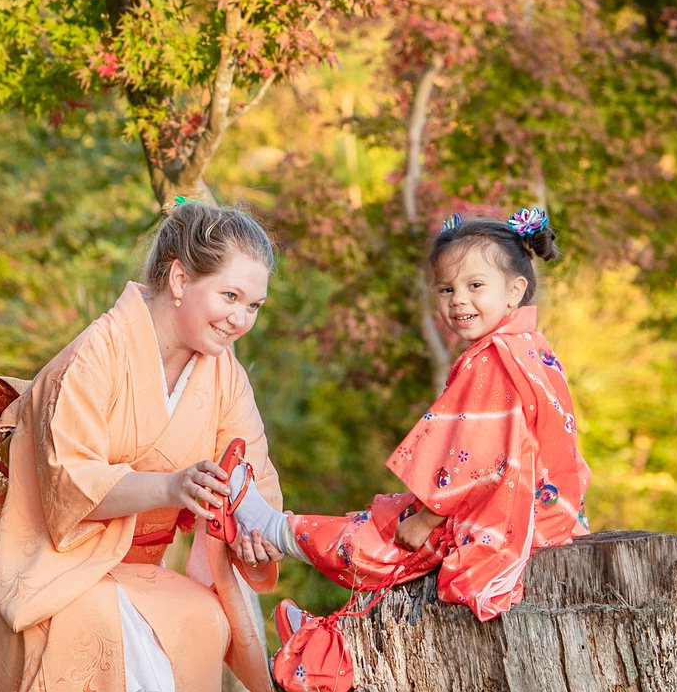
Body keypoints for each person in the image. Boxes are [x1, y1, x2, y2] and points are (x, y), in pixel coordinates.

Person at [0, 201, 286, 692]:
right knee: (92, 617)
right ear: (180, 279)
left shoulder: (224, 374)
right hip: (15, 551)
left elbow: (252, 473)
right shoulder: (98, 352)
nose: (239, 319)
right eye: (230, 296)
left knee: (201, 616)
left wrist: (258, 531)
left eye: (253, 305)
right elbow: (68, 486)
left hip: (118, 565)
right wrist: (170, 485)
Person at [229, 209, 590, 639]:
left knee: (379, 543)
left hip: (501, 518)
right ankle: (331, 631)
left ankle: (319, 616)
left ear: (515, 291)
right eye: (446, 288)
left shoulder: (493, 359)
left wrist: (426, 519)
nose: (458, 300)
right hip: (539, 512)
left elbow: (476, 459)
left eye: (475, 286)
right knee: (396, 527)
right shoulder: (530, 347)